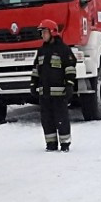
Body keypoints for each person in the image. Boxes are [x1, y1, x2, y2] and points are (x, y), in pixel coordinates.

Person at [30, 18, 77, 152]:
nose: (42, 35)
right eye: (42, 32)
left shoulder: (63, 50)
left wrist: (69, 85)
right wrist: (33, 84)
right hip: (44, 94)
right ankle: (51, 143)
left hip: (59, 94)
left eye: (44, 32)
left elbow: (70, 68)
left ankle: (65, 144)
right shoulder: (41, 51)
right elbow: (35, 69)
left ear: (52, 32)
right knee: (47, 120)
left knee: (61, 119)